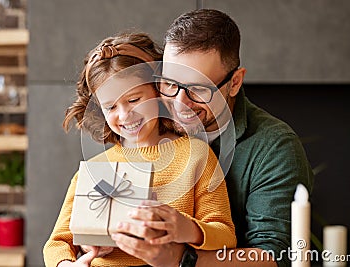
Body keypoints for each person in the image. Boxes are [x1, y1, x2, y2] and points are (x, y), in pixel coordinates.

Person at [110, 9, 314, 267]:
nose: (179, 103)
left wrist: (182, 260)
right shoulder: (148, 121)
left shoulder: (274, 147)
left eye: (197, 88)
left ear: (235, 82)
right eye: (170, 83)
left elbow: (275, 256)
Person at [43, 32, 237, 267]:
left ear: (158, 90)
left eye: (135, 100)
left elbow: (225, 234)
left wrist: (186, 229)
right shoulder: (95, 169)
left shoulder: (196, 156)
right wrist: (67, 264)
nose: (125, 115)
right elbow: (57, 243)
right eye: (111, 106)